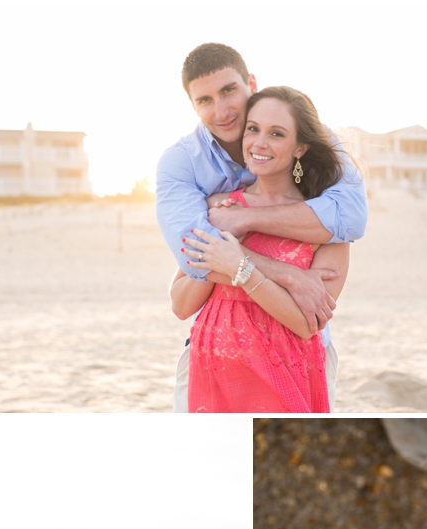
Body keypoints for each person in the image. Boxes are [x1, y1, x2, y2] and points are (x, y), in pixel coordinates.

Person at [155, 43, 368, 412]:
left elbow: (308, 320)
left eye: (228, 91)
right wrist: (287, 275)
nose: (222, 111)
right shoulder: (210, 194)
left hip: (293, 364)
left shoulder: (323, 216)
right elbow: (185, 290)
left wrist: (238, 252)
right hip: (212, 362)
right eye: (254, 130)